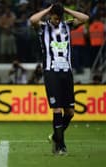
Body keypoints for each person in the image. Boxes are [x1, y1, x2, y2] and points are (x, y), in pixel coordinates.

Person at [29, 3, 89, 155]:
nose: (57, 21)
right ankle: (60, 145)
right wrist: (49, 9)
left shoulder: (67, 25)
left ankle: (56, 136)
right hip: (51, 72)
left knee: (70, 112)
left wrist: (65, 10)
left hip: (66, 72)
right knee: (57, 108)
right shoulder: (43, 27)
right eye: (55, 18)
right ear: (50, 16)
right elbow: (32, 20)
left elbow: (85, 18)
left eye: (59, 18)